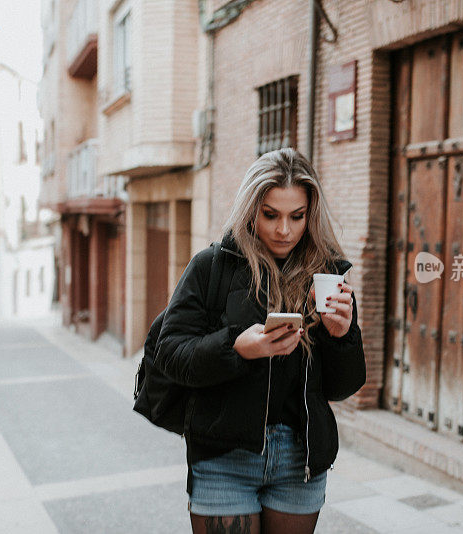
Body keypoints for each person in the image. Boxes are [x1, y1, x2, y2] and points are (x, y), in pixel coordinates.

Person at [155, 148, 366, 534]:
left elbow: (343, 387)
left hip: (299, 459)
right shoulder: (212, 267)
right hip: (223, 457)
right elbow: (170, 353)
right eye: (271, 215)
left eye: (296, 216)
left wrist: (341, 335)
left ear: (310, 214)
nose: (284, 229)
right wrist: (236, 348)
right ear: (252, 209)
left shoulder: (329, 276)